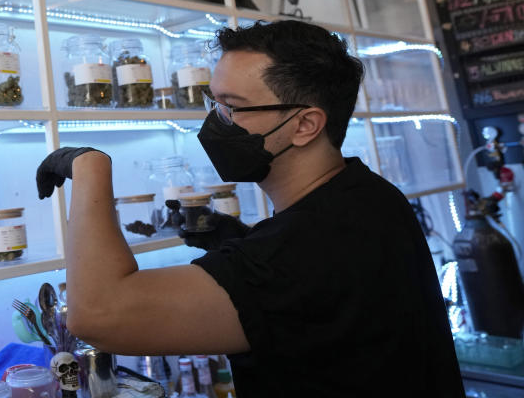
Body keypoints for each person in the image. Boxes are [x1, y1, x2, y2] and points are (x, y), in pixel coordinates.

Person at [36, 20, 463, 397]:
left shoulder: (302, 249)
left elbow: (98, 315)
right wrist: (241, 241)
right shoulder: (368, 196)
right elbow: (315, 299)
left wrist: (89, 170)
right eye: (214, 103)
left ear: (304, 125)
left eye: (232, 108)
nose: (216, 121)